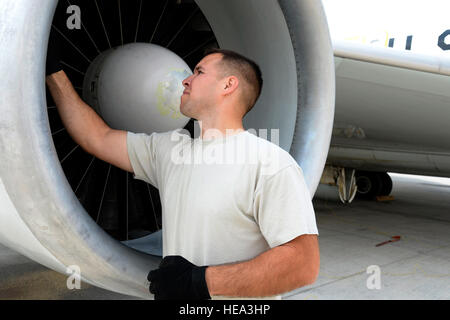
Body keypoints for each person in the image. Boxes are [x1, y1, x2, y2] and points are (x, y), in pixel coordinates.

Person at [46, 34, 320, 299]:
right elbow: (97, 137)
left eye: (199, 72)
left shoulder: (271, 164)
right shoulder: (169, 151)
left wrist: (201, 282)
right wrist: (54, 72)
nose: (186, 80)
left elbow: (303, 265)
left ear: (228, 85)